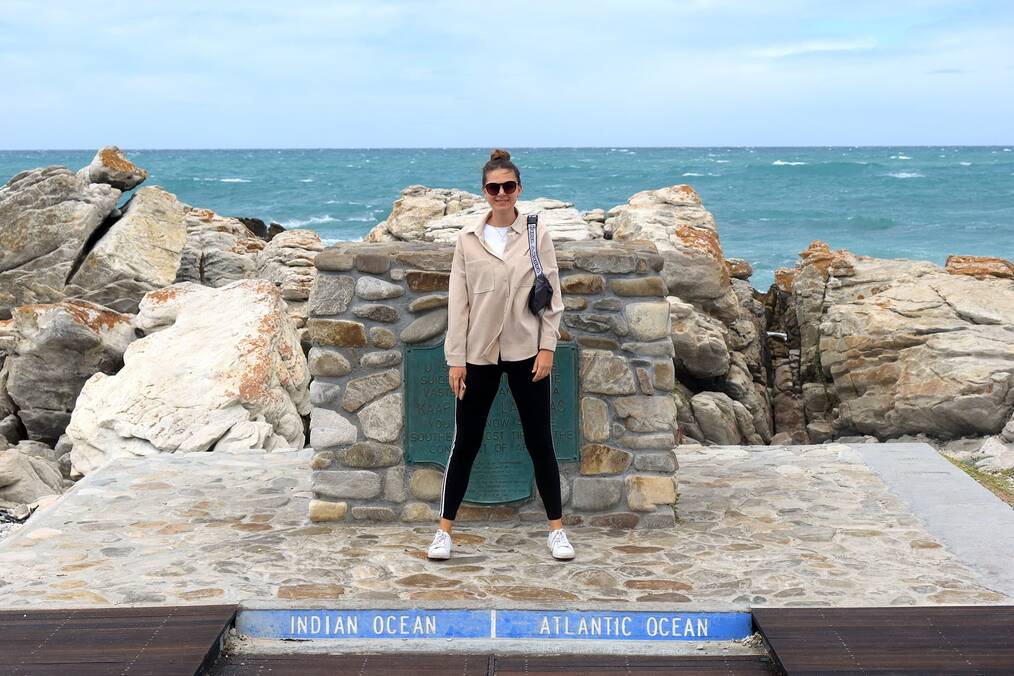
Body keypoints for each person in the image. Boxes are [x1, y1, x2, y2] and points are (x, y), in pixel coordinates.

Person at [427, 148, 573, 561]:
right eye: (494, 187)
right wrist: (455, 357)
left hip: (527, 350)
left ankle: (556, 531)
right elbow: (458, 303)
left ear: (519, 189)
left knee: (539, 440)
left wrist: (548, 348)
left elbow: (553, 295)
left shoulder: (535, 232)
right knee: (466, 441)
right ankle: (443, 531)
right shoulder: (467, 240)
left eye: (508, 186)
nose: (501, 193)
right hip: (478, 355)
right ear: (484, 191)